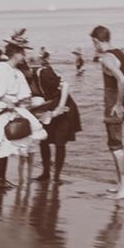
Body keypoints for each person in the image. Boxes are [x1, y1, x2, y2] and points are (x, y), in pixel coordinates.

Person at [0, 30, 47, 189]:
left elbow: (24, 95)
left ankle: (3, 178)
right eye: (22, 52)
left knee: (17, 140)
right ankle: (0, 180)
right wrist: (5, 100)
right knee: (0, 145)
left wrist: (25, 103)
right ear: (15, 54)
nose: (24, 56)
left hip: (10, 111)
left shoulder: (17, 72)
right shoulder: (0, 69)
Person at [90, 25, 124, 199]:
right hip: (118, 102)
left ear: (96, 41)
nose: (93, 46)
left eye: (93, 43)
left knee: (117, 147)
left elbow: (122, 79)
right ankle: (120, 185)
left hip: (113, 104)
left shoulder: (106, 58)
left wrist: (118, 104)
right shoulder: (120, 53)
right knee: (114, 145)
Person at [29, 57, 82, 185]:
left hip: (64, 107)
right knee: (44, 141)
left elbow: (65, 85)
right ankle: (46, 173)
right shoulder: (27, 78)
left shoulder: (43, 73)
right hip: (48, 107)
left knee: (60, 143)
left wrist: (60, 107)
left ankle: (57, 176)